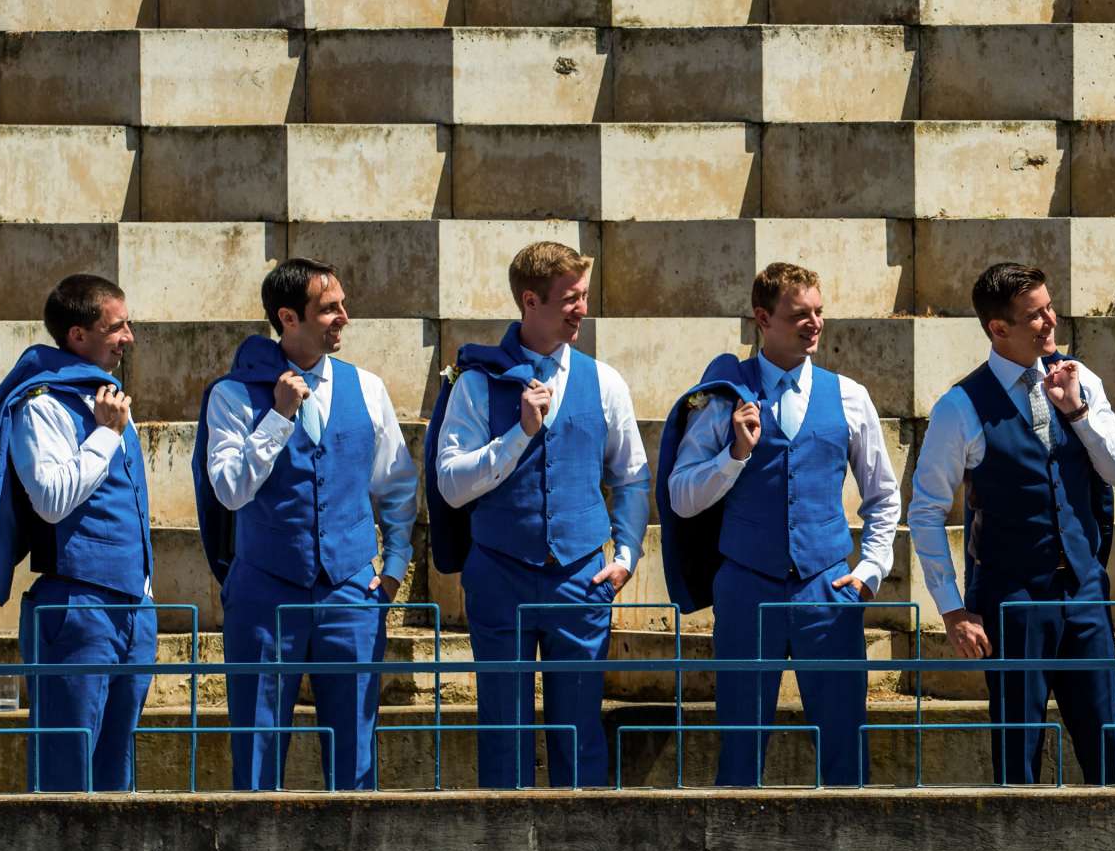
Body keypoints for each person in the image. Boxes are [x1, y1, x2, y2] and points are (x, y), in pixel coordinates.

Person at [658, 262, 902, 786]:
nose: (813, 324)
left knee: (844, 741)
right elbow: (680, 495)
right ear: (762, 318)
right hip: (746, 587)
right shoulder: (724, 396)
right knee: (740, 746)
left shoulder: (850, 396)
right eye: (799, 315)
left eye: (818, 312)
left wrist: (870, 571)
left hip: (827, 587)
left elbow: (882, 496)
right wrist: (734, 456)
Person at [425, 241, 652, 789]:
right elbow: (451, 485)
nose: (582, 309)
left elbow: (632, 475)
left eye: (584, 297)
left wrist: (624, 555)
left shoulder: (605, 382)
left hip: (581, 576)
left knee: (579, 728)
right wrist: (517, 435)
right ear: (531, 301)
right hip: (500, 573)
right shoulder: (477, 382)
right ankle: (504, 849)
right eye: (571, 299)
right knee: (504, 724)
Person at [909, 261, 1115, 785]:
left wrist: (1079, 414)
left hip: (1083, 592)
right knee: (1018, 753)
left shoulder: (1081, 380)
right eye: (1035, 316)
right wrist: (951, 609)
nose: (1051, 321)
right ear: (999, 329)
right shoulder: (959, 407)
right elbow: (925, 511)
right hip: (1011, 602)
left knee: (1109, 744)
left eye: (1049, 307)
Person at [192, 258, 418, 792]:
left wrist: (395, 565)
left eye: (342, 304)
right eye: (330, 308)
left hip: (351, 592)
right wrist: (278, 419)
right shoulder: (231, 395)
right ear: (289, 318)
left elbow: (398, 483)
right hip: (266, 593)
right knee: (258, 745)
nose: (344, 317)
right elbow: (229, 490)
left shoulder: (368, 388)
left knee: (356, 747)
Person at [0, 274, 155, 792]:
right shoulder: (42, 406)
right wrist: (104, 435)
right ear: (78, 335)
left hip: (133, 608)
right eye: (116, 327)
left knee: (118, 763)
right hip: (76, 607)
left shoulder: (108, 399)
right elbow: (51, 500)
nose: (129, 337)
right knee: (66, 766)